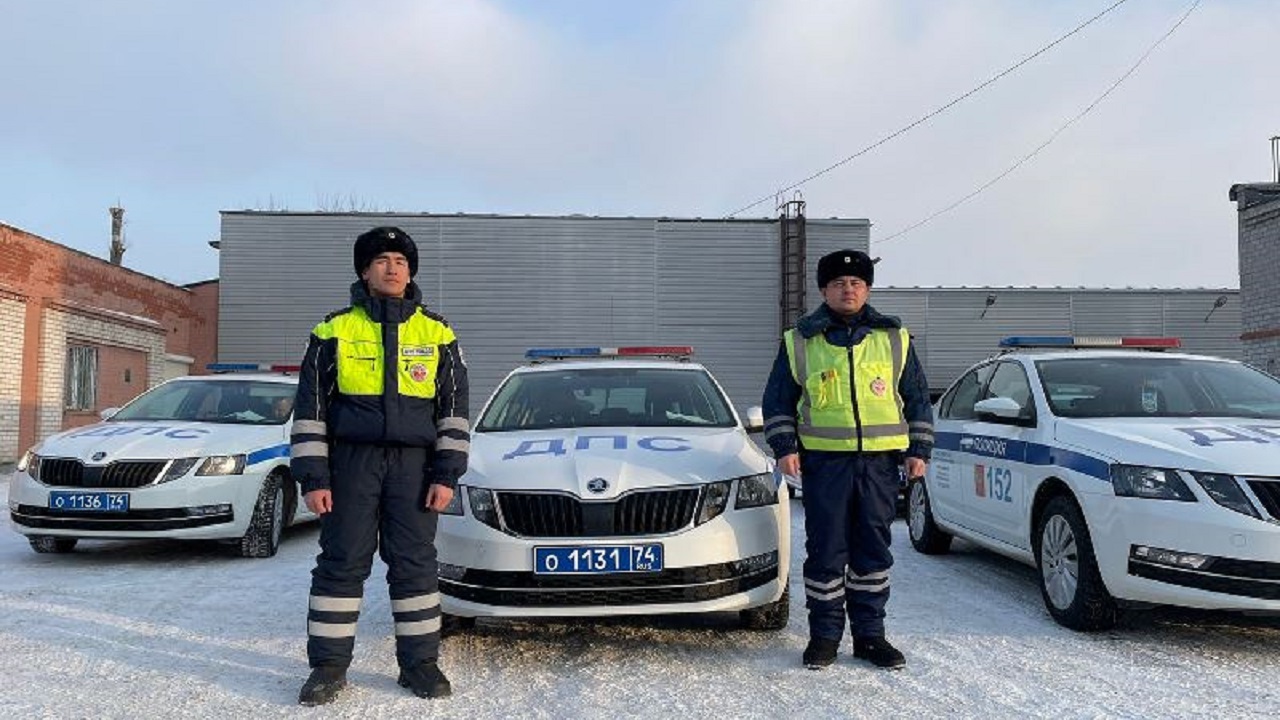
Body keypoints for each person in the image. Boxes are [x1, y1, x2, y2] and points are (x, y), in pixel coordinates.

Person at [290, 226, 469, 705]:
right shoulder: (333, 330)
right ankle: (328, 668)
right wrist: (314, 477)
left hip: (415, 467)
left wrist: (446, 474)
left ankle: (420, 666)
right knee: (341, 564)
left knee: (415, 567)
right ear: (365, 271)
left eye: (402, 262)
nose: (394, 269)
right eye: (384, 260)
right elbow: (311, 411)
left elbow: (453, 410)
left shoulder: (437, 332)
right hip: (351, 464)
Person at [762, 249, 933, 671]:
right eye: (838, 283)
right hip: (825, 465)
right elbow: (778, 401)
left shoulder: (894, 338)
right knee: (826, 552)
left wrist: (919, 450)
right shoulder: (800, 341)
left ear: (868, 288)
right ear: (823, 290)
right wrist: (785, 447)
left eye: (856, 283)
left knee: (873, 551)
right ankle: (824, 638)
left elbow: (916, 399)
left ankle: (871, 637)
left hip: (879, 465)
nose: (848, 289)